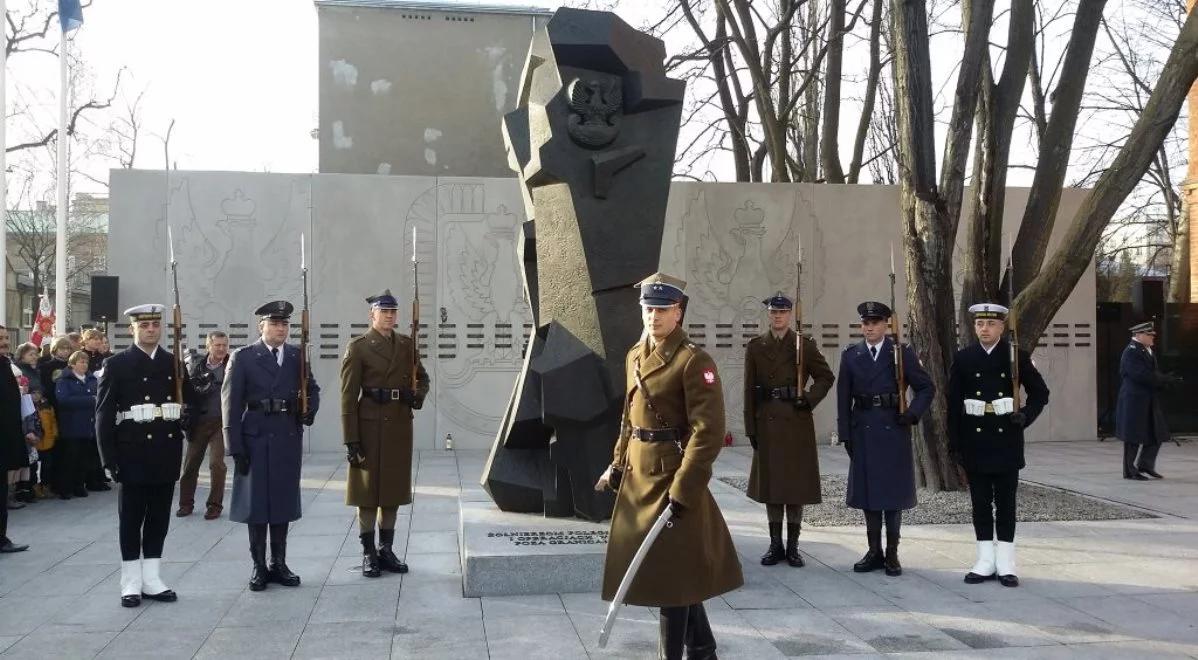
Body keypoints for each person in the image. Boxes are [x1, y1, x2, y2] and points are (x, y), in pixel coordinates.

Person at [596, 273, 743, 660]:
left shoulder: (693, 360)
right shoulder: (634, 354)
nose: (653, 317)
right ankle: (703, 648)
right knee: (672, 572)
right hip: (637, 477)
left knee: (672, 579)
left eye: (662, 310)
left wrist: (684, 489)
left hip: (671, 479)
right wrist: (615, 465)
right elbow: (629, 419)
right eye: (648, 308)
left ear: (679, 312)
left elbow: (708, 432)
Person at [96, 304, 194, 608]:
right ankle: (130, 581)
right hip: (132, 451)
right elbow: (103, 415)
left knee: (158, 517)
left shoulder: (173, 363)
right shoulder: (117, 364)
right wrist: (108, 459)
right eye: (145, 325)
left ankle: (152, 577)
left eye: (155, 324)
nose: (151, 329)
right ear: (132, 329)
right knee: (131, 518)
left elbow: (189, 402)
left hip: (165, 451)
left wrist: (189, 414)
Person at [948, 303, 1050, 588]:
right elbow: (953, 404)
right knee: (980, 504)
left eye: (991, 324)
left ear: (1002, 328)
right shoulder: (964, 358)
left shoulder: (1016, 356)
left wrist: (1026, 416)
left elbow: (1041, 393)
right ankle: (984, 560)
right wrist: (954, 443)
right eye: (980, 324)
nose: (985, 329)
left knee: (1006, 503)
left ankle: (1006, 562)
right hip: (975, 440)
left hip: (1006, 438)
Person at [223, 301, 319, 592]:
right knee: (256, 505)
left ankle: (279, 563)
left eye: (285, 324)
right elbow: (230, 403)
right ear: (261, 327)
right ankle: (259, 566)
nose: (281, 329)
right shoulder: (244, 357)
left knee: (281, 502)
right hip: (255, 436)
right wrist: (234, 446)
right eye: (275, 324)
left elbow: (311, 389)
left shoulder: (295, 356)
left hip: (286, 435)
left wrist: (308, 410)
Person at [837, 301, 934, 577]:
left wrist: (912, 413)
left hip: (893, 426)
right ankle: (873, 551)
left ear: (886, 325)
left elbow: (926, 387)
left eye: (875, 323)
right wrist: (846, 434)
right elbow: (843, 398)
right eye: (865, 323)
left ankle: (892, 553)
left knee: (891, 494)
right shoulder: (851, 355)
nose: (869, 328)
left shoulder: (901, 353)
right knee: (868, 494)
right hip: (864, 429)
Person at [341, 289, 429, 577]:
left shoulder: (405, 345)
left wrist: (416, 395)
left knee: (391, 491)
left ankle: (386, 550)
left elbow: (423, 377)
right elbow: (347, 397)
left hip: (399, 425)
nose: (390, 317)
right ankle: (368, 553)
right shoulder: (359, 347)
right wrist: (351, 438)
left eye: (393, 312)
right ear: (372, 315)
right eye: (384, 312)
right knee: (367, 493)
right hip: (369, 425)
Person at [744, 292, 834, 568]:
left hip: (795, 420)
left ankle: (793, 546)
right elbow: (749, 390)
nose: (778, 316)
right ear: (768, 314)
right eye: (773, 312)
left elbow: (825, 376)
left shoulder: (803, 345)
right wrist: (750, 428)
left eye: (782, 312)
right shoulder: (756, 346)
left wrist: (807, 398)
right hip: (768, 420)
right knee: (772, 486)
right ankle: (775, 545)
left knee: (794, 487)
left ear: (789, 313)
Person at [177, 331, 231, 519]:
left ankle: (214, 506)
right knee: (191, 464)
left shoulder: (232, 365)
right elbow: (183, 390)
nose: (222, 349)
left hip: (220, 423)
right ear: (208, 346)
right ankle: (185, 504)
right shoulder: (196, 365)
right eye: (218, 345)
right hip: (199, 422)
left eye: (225, 345)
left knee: (217, 464)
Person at [1116, 321, 1177, 480]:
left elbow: (1151, 373)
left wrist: (1165, 381)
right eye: (1149, 335)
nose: (1152, 337)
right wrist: (1162, 379)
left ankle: (1146, 465)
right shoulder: (1131, 352)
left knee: (1157, 433)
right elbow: (1140, 375)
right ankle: (1130, 471)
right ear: (1138, 335)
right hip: (1134, 401)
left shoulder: (1146, 350)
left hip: (1147, 399)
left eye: (1152, 335)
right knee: (1133, 437)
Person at [0, 326, 31, 553]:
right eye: (0, 338)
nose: (4, 342)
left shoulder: (5, 364)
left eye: (6, 338)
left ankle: (1, 538)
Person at [56, 352, 99, 500]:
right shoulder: (64, 380)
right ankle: (65, 488)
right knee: (70, 458)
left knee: (83, 458)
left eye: (86, 362)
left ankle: (79, 485)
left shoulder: (91, 379)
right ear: (72, 364)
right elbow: (63, 400)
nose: (84, 365)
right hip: (71, 425)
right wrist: (90, 400)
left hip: (88, 425)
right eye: (81, 362)